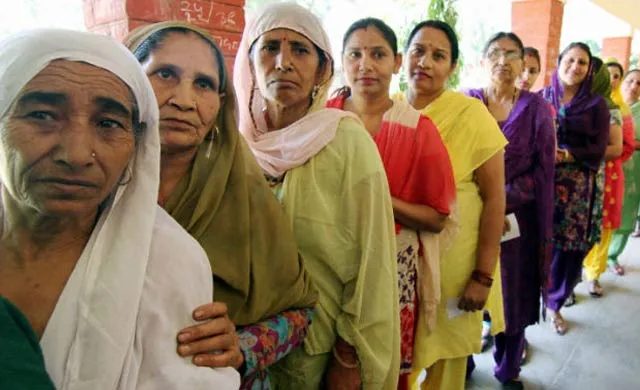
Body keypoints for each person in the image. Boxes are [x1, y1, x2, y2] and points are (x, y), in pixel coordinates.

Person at [0, 29, 239, 389]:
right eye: (43, 115)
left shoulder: (169, 262)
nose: (77, 155)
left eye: (108, 124)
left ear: (137, 144)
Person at [125, 22, 318, 388]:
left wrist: (243, 345)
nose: (184, 100)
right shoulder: (88, 184)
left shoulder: (241, 192)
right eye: (164, 74)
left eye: (203, 84)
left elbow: (302, 310)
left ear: (220, 102)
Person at [234, 3, 400, 388]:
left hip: (316, 351)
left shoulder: (346, 141)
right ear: (250, 62)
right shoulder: (235, 144)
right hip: (238, 350)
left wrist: (347, 357)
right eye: (270, 47)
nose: (283, 62)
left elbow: (372, 260)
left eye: (301, 50)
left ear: (322, 69)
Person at [327, 17, 457, 389]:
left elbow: (436, 218)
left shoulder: (418, 129)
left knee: (377, 369)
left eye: (378, 54)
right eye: (355, 54)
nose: (365, 65)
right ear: (342, 59)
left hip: (389, 268)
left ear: (397, 62)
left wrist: (380, 199)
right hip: (324, 260)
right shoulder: (322, 117)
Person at [397, 20, 507, 390]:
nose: (425, 62)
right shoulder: (388, 108)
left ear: (452, 67)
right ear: (403, 57)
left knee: (446, 363)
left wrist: (482, 276)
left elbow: (494, 200)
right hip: (397, 263)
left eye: (438, 55)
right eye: (418, 51)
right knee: (396, 356)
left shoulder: (471, 115)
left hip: (455, 266)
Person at [465, 32, 555, 389]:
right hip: (469, 217)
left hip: (516, 223)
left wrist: (499, 198)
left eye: (511, 54)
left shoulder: (535, 109)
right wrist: (478, 201)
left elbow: (543, 169)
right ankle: (463, 361)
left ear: (523, 62)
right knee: (465, 289)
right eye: (495, 53)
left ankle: (507, 369)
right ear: (483, 60)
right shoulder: (468, 104)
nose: (503, 60)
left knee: (512, 296)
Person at [540, 42, 610, 335]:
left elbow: (600, 145)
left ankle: (555, 302)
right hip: (543, 181)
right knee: (540, 243)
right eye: (570, 60)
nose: (575, 67)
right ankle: (537, 298)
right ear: (559, 62)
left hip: (578, 188)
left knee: (570, 250)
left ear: (589, 68)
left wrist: (569, 154)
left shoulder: (597, 105)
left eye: (582, 62)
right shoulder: (542, 97)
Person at [582, 59, 635, 292]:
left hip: (609, 174)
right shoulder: (571, 103)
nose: (611, 80)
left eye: (616, 76)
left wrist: (595, 157)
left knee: (603, 228)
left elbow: (627, 146)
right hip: (577, 176)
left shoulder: (619, 110)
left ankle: (594, 275)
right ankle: (571, 281)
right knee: (575, 227)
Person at [608, 70, 640, 260]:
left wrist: (624, 143)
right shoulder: (612, 106)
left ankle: (613, 257)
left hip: (635, 171)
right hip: (610, 165)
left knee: (626, 215)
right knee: (605, 212)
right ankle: (596, 260)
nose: (633, 86)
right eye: (630, 81)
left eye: (639, 83)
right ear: (622, 82)